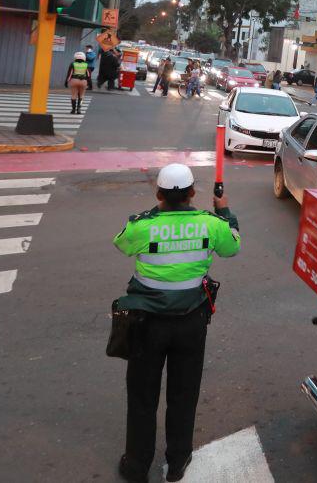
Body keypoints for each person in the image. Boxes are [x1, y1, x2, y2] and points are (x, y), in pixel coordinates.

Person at [113, 164, 241, 483]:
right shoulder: (210, 224)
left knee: (143, 396)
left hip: (146, 324)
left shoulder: (142, 226)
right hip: (191, 322)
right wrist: (225, 213)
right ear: (193, 193)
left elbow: (122, 243)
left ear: (158, 194)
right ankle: (178, 462)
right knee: (184, 394)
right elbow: (233, 246)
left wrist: (154, 214)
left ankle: (136, 466)